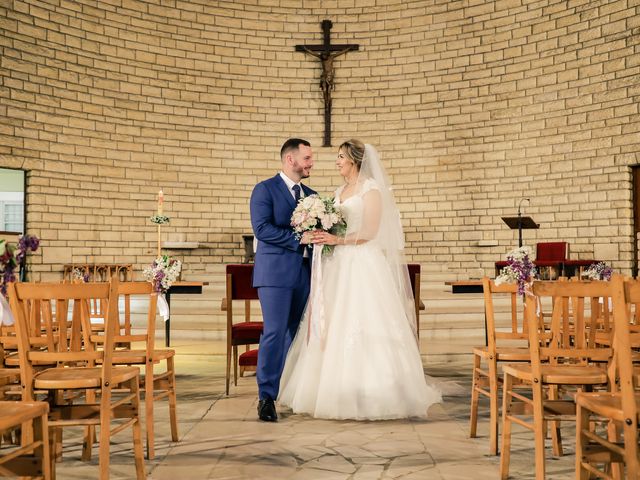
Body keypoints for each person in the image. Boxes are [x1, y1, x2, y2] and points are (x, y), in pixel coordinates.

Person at [278, 139, 441, 420]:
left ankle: (374, 389)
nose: (337, 162)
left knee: (364, 319)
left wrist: (336, 239)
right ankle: (333, 388)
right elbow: (333, 223)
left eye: (340, 157)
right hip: (337, 264)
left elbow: (371, 231)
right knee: (333, 322)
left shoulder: (371, 189)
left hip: (362, 262)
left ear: (354, 159)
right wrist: (321, 233)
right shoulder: (339, 191)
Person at [249, 138, 316, 422]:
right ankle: (266, 396)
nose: (311, 163)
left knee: (298, 333)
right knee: (275, 332)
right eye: (308, 158)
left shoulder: (313, 195)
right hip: (275, 273)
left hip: (305, 273)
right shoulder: (265, 189)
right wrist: (299, 238)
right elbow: (262, 228)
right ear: (291, 159)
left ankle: (291, 390)